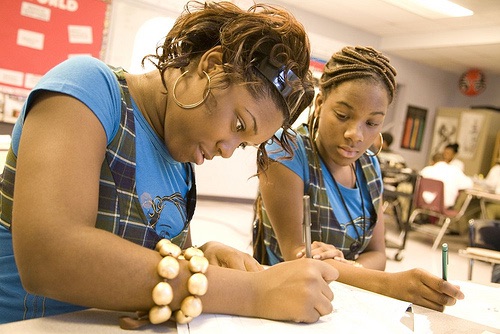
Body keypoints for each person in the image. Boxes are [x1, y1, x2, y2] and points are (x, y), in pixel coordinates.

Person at [0, 1, 340, 326]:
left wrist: (201, 256)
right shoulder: (89, 87)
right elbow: (49, 256)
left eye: (243, 146)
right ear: (212, 66)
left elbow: (155, 272)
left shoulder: (181, 164)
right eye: (238, 125)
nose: (227, 150)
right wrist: (253, 292)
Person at [253, 46, 464, 312]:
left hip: (349, 308)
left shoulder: (369, 165)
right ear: (320, 104)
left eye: (372, 123)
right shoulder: (286, 152)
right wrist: (391, 285)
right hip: (287, 305)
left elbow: (378, 254)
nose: (356, 134)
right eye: (342, 116)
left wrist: (347, 266)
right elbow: (297, 258)